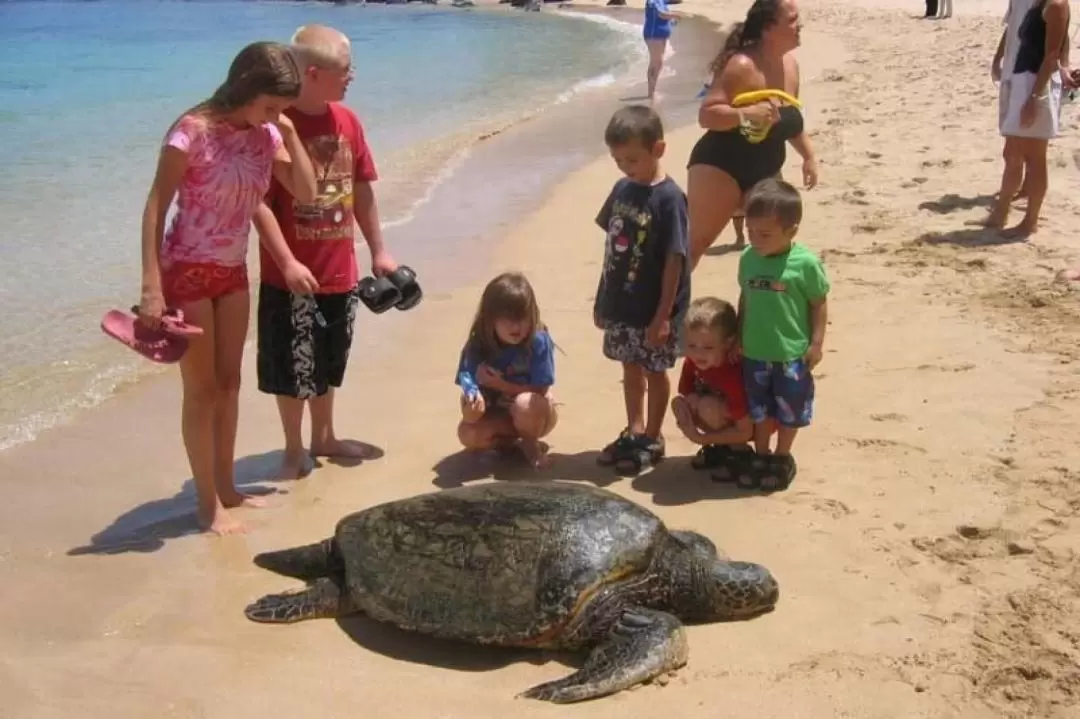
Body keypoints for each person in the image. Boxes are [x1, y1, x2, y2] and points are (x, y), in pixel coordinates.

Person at [137, 41, 317, 535]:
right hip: (187, 269)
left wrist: (291, 133)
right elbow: (156, 205)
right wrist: (152, 284)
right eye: (271, 105)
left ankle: (228, 488)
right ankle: (206, 503)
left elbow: (306, 192)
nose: (275, 115)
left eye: (281, 108)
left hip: (232, 270)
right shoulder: (190, 133)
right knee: (202, 391)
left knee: (231, 384)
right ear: (246, 88)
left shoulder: (266, 135)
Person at [252, 24, 401, 481]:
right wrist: (287, 262)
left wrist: (379, 251)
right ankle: (293, 447)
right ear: (313, 74)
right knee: (292, 367)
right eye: (345, 70)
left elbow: (362, 190)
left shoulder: (348, 122)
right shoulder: (275, 126)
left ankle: (325, 436)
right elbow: (256, 203)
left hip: (341, 272)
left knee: (330, 359)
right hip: (291, 276)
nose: (352, 77)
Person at [593, 105, 691, 475]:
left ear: (658, 150)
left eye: (632, 159)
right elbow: (611, 250)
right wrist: (604, 300)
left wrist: (664, 316)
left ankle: (653, 435)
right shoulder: (622, 189)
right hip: (621, 303)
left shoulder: (670, 199)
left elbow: (674, 261)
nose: (624, 167)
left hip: (655, 308)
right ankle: (634, 430)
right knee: (629, 367)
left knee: (654, 370)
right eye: (618, 160)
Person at [686, 0, 819, 267]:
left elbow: (789, 120)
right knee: (696, 245)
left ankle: (765, 306)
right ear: (769, 28)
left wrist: (808, 156)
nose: (799, 25)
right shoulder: (742, 65)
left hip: (766, 169)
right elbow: (707, 115)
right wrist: (744, 114)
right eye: (792, 20)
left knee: (775, 244)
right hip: (720, 166)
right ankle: (667, 307)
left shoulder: (791, 67)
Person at [737, 178, 828, 492]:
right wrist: (738, 335)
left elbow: (818, 303)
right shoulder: (748, 259)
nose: (756, 240)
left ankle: (782, 455)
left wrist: (816, 343)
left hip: (791, 354)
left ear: (791, 231)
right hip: (754, 352)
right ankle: (760, 455)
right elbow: (745, 298)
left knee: (790, 410)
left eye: (764, 234)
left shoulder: (805, 264)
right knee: (759, 410)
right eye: (750, 232)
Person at [455, 272, 558, 469]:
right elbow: (467, 383)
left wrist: (500, 385)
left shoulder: (537, 340)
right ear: (490, 319)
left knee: (525, 404)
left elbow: (540, 390)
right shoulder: (477, 345)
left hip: (536, 412)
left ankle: (530, 444)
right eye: (508, 319)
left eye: (522, 318)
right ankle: (507, 444)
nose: (516, 326)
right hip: (500, 415)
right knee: (467, 432)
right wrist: (472, 410)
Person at [986, 0, 1071, 237]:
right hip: (1020, 81)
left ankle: (1030, 221)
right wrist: (998, 60)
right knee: (1012, 151)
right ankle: (1001, 212)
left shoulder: (1055, 5)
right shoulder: (1032, 3)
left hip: (1036, 85)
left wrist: (1034, 98)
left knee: (1034, 158)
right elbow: (1012, 29)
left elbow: (1052, 54)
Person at [670, 296, 754, 478]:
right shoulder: (692, 361)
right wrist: (691, 398)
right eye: (692, 345)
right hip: (720, 412)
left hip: (746, 423)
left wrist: (701, 438)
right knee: (681, 404)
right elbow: (686, 390)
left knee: (707, 406)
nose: (698, 353)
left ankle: (739, 452)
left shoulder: (731, 374)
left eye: (708, 347)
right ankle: (721, 446)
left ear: (728, 343)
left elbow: (745, 429)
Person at [643, 0, 677, 102]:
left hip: (661, 35)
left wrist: (672, 21)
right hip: (653, 34)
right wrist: (676, 15)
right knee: (655, 61)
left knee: (659, 62)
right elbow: (661, 14)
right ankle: (651, 93)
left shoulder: (662, 1)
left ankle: (653, 90)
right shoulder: (652, 1)